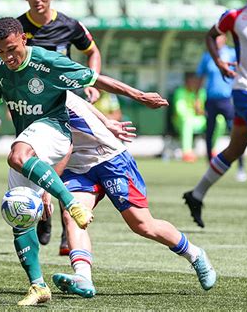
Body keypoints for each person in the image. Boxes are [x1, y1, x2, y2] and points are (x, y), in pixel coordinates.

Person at [0, 17, 168, 306]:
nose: (6, 57)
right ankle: (38, 286)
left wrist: (138, 95)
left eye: (11, 50)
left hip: (55, 130)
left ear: (23, 39)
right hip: (31, 139)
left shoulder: (47, 62)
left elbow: (94, 79)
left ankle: (69, 202)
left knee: (16, 155)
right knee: (18, 213)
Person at [49, 94, 216, 298]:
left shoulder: (50, 82)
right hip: (77, 167)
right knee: (72, 214)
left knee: (142, 224)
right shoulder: (21, 92)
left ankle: (195, 254)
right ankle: (83, 277)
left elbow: (71, 125)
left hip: (109, 158)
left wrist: (46, 188)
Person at [183, 0, 247, 230]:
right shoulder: (235, 16)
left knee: (235, 149)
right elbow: (211, 35)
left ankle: (196, 195)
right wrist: (218, 62)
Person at [19, 0, 103, 255]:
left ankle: (69, 231)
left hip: (64, 104)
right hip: (32, 106)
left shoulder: (69, 25)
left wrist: (92, 86)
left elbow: (92, 52)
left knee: (68, 165)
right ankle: (44, 215)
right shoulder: (18, 28)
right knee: (35, 163)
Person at [196, 34, 247, 182]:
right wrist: (198, 99)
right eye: (215, 38)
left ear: (224, 38)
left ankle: (241, 167)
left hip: (228, 100)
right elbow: (200, 78)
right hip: (211, 100)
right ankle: (209, 167)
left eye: (219, 38)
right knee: (209, 134)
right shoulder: (207, 56)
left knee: (236, 133)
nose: (217, 41)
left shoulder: (231, 53)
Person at [172, 72, 226, 163]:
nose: (194, 83)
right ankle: (187, 152)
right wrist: (194, 109)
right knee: (187, 121)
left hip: (200, 120)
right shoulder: (180, 92)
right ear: (186, 82)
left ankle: (212, 149)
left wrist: (201, 111)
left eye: (196, 81)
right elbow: (180, 111)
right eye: (192, 81)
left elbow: (207, 110)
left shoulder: (202, 92)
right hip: (182, 121)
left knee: (220, 120)